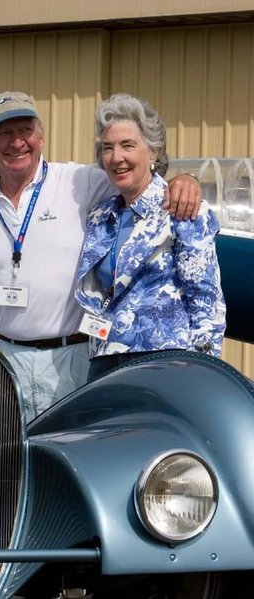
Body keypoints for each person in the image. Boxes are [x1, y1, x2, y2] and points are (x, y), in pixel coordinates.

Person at [0, 91, 202, 422]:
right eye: (4, 133)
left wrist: (184, 181)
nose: (17, 142)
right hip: (6, 360)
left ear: (41, 136)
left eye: (25, 130)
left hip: (74, 359)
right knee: (6, 451)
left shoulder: (79, 182)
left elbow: (138, 179)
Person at [75, 93, 226, 382]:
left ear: (153, 152)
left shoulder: (181, 207)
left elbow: (206, 302)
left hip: (165, 365)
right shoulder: (99, 216)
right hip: (104, 362)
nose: (116, 157)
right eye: (108, 147)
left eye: (127, 145)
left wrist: (203, 374)